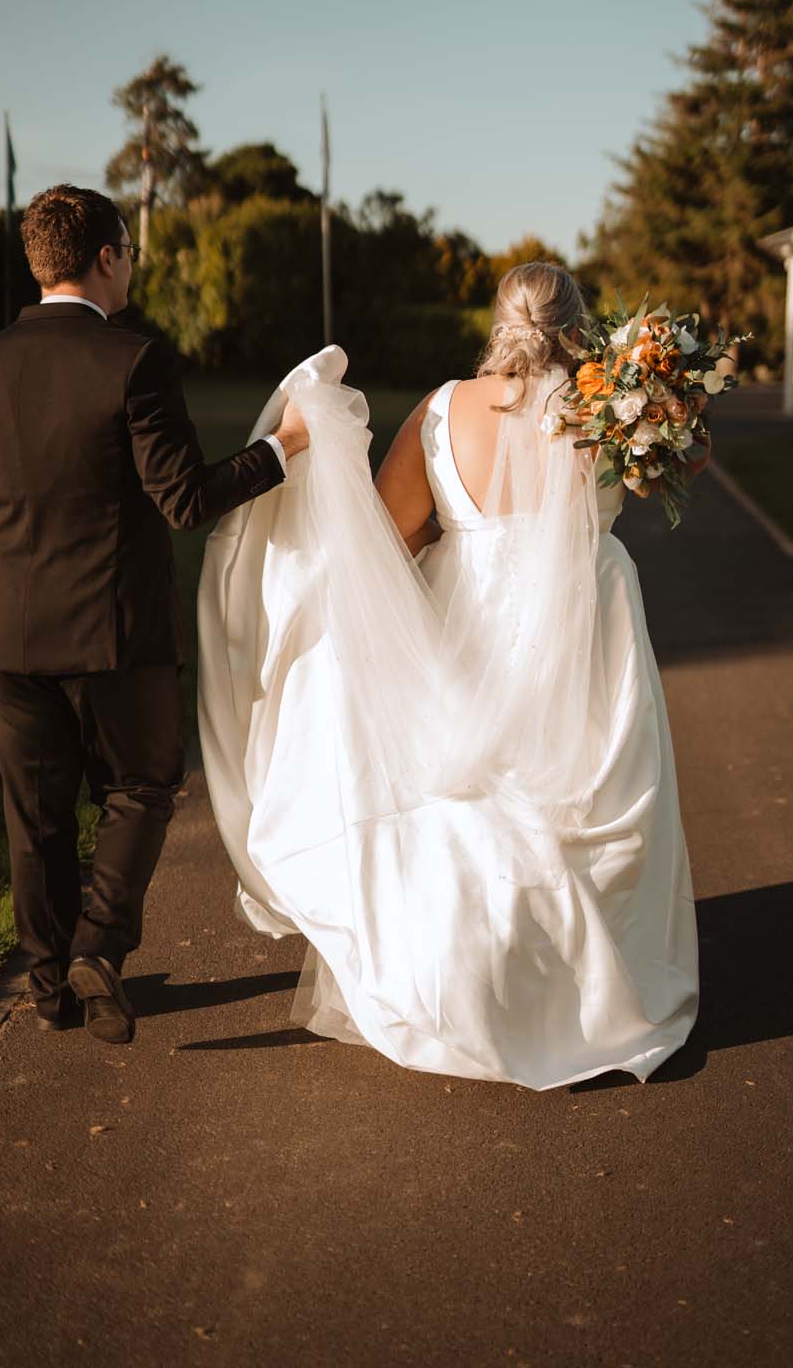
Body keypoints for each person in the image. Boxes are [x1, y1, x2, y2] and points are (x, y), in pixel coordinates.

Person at [199, 263, 701, 1090]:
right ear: (580, 326)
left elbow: (391, 531)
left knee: (472, 806)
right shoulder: (615, 411)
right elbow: (682, 464)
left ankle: (481, 997)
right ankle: (595, 994)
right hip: (591, 623)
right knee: (587, 798)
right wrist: (668, 393)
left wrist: (450, 540)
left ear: (498, 319)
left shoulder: (440, 408)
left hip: (472, 614)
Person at [0, 184, 308, 1044]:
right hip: (118, 634)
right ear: (105, 258)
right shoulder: (135, 360)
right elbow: (183, 499)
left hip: (11, 637)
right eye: (129, 251)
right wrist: (280, 452)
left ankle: (49, 985)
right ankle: (98, 949)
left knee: (36, 819)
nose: (132, 264)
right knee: (139, 790)